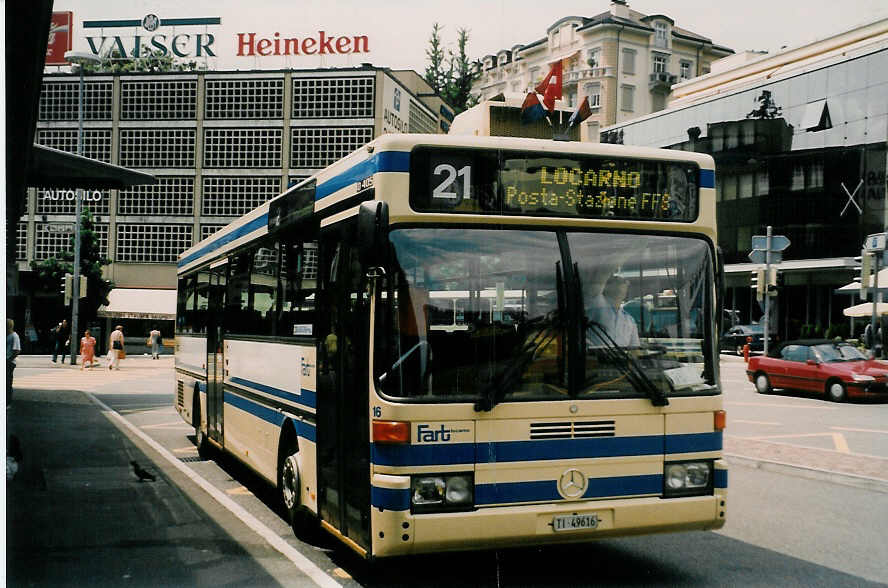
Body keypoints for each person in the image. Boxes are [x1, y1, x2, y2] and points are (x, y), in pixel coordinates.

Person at [587, 274, 640, 348]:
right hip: (594, 358)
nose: (622, 285)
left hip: (620, 358)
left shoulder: (629, 320)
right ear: (607, 287)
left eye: (624, 283)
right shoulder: (596, 305)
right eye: (617, 281)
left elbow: (635, 348)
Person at [7, 319, 21, 404]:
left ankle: (8, 401)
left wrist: (8, 360)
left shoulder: (14, 336)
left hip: (9, 362)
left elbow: (17, 350)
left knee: (7, 382)